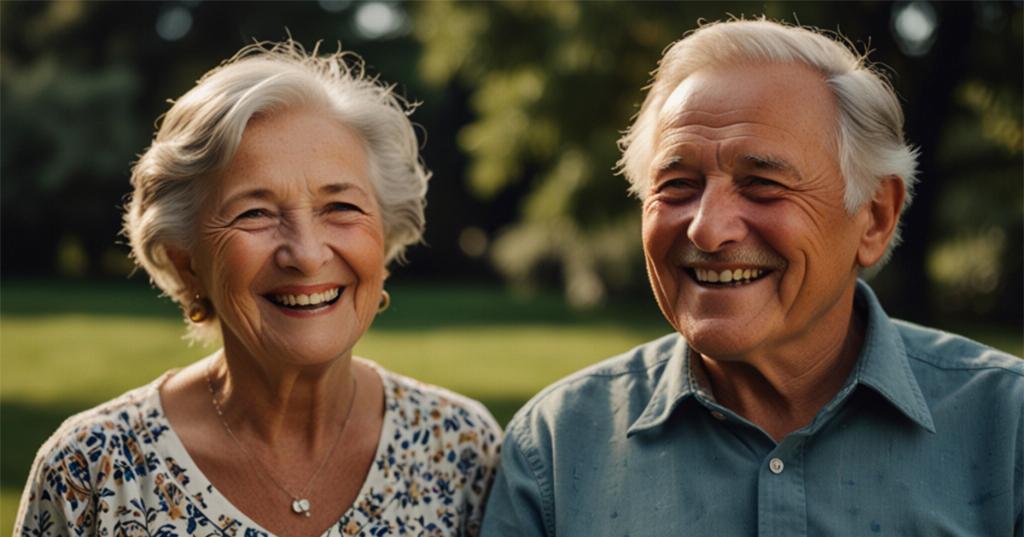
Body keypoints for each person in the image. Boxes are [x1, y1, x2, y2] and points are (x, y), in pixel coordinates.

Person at [481, 18, 1023, 536]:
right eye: (677, 185)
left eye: (763, 183)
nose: (707, 229)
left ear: (875, 216)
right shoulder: (555, 448)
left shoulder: (1008, 430)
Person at [16, 41, 501, 537]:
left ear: (386, 237)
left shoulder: (461, 450)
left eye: (341, 207)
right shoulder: (92, 471)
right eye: (255, 213)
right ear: (188, 264)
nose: (307, 254)